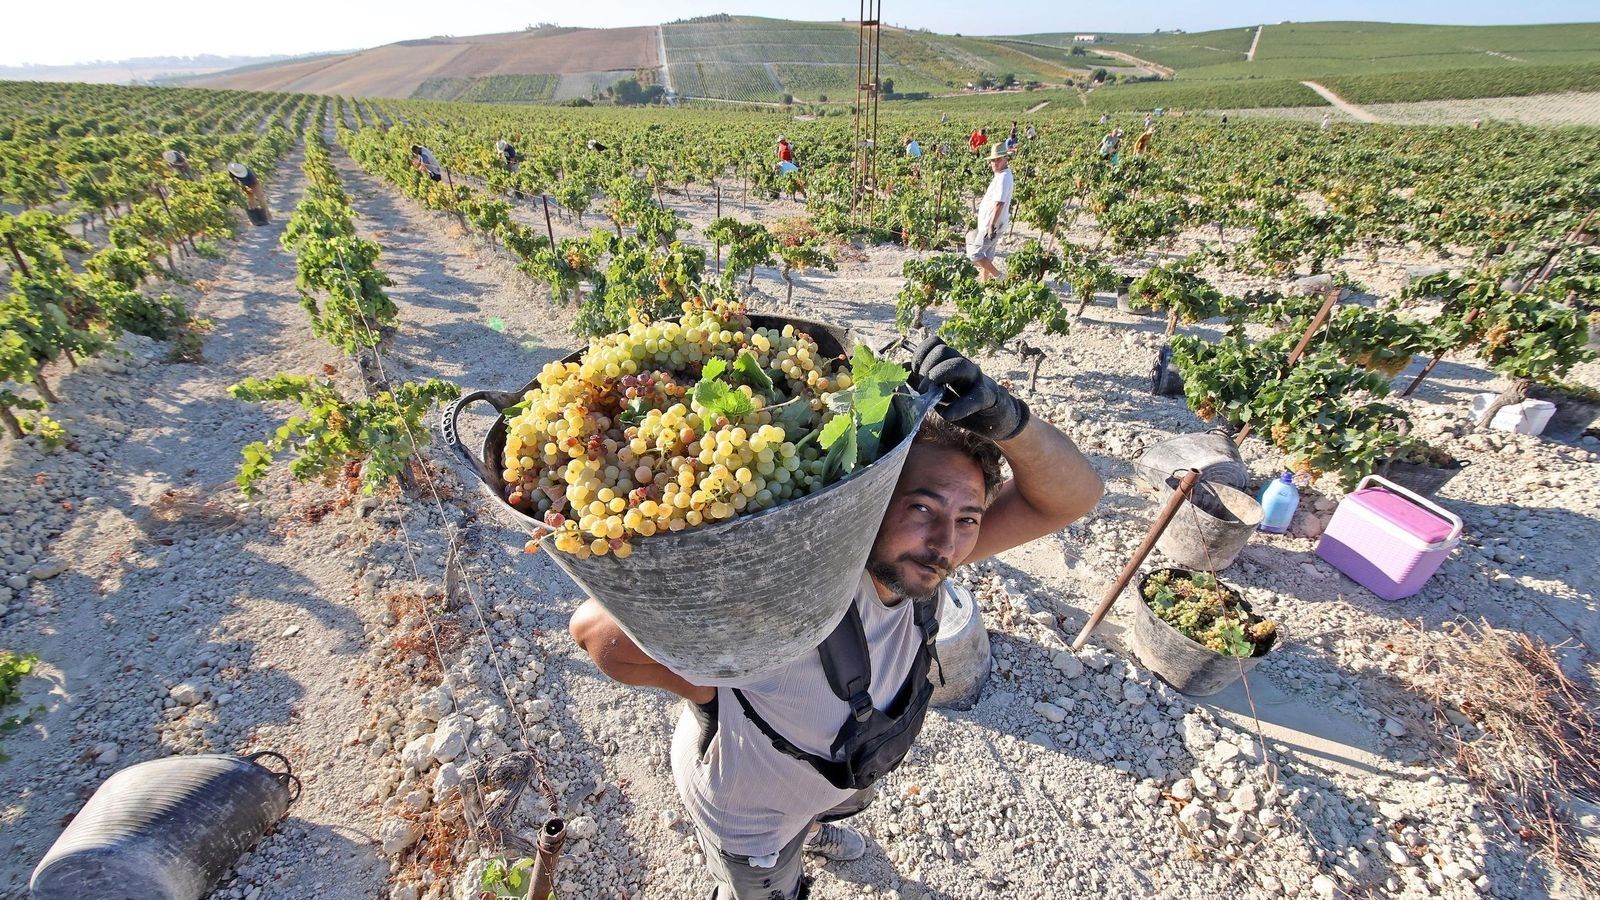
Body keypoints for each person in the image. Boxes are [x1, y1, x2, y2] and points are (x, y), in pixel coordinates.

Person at [571, 339, 1103, 900]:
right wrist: (705, 687)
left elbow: (1073, 497)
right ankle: (780, 860)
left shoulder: (920, 558)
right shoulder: (792, 594)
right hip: (752, 817)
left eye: (967, 517)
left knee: (818, 806)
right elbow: (594, 631)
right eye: (922, 508)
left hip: (838, 772)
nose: (947, 544)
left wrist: (1012, 423)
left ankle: (814, 828)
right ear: (868, 501)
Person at [966, 144, 1014, 282]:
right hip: (993, 223)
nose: (995, 163)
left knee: (975, 254)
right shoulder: (1001, 175)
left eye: (998, 159)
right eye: (993, 160)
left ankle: (999, 276)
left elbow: (1000, 203)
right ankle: (985, 283)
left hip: (992, 224)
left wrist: (991, 224)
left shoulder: (1004, 177)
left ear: (1006, 159)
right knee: (987, 254)